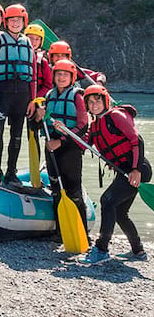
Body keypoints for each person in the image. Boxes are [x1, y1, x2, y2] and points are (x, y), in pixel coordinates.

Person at [74, 85, 151, 264]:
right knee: (120, 211)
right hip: (123, 171)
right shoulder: (95, 126)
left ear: (105, 100)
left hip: (137, 168)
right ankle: (138, 251)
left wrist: (136, 170)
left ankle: (101, 249)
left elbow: (137, 141)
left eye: (97, 100)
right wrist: (64, 131)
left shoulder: (116, 116)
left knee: (107, 201)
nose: (94, 105)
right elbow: (83, 144)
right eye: (90, 102)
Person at [0, 4, 37, 186]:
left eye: (18, 20)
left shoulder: (27, 43)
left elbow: (33, 76)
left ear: (24, 22)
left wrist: (33, 100)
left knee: (17, 135)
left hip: (22, 95)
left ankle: (11, 173)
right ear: (6, 22)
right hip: (1, 92)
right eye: (11, 20)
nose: (15, 23)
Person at [35, 59, 88, 242]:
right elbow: (40, 123)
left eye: (65, 74)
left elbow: (82, 126)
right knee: (57, 190)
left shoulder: (77, 96)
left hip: (70, 149)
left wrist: (61, 141)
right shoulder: (49, 96)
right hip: (51, 147)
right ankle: (60, 232)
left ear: (72, 77)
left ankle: (84, 234)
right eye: (58, 74)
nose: (61, 77)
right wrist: (38, 115)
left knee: (73, 191)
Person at [25, 24, 52, 98]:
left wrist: (35, 97)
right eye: (30, 38)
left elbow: (48, 85)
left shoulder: (43, 62)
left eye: (37, 39)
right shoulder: (18, 56)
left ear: (41, 41)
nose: (33, 42)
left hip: (36, 98)